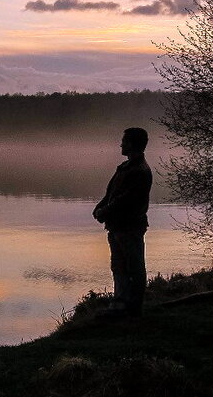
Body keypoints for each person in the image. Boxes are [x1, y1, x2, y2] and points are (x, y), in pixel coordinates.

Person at [92, 126, 152, 317]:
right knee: (118, 265)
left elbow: (124, 200)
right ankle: (120, 304)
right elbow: (111, 194)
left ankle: (133, 307)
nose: (121, 144)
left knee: (133, 266)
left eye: (124, 141)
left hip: (130, 227)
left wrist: (104, 211)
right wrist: (100, 207)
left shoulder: (140, 171)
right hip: (117, 227)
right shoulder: (125, 168)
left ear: (132, 144)